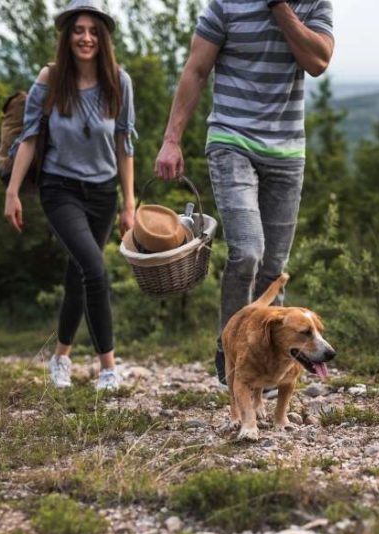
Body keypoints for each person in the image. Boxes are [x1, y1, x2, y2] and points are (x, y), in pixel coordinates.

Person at [154, 0, 334, 389]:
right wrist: (172, 140)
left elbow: (318, 62)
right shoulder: (225, 5)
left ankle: (274, 362)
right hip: (231, 140)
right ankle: (231, 347)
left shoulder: (315, 4)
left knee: (274, 265)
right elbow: (197, 69)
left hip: (287, 152)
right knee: (248, 251)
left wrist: (280, 9)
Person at [4, 0, 136, 391]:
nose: (86, 38)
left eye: (93, 31)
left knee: (80, 275)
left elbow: (124, 143)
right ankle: (108, 368)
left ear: (104, 38)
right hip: (60, 189)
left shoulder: (118, 80)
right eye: (78, 30)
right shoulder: (50, 78)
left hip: (103, 194)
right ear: (67, 36)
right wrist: (13, 192)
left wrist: (129, 204)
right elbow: (28, 138)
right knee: (95, 270)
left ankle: (60, 357)